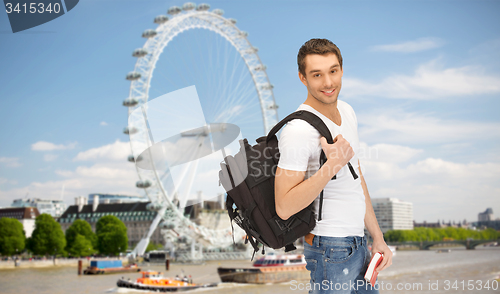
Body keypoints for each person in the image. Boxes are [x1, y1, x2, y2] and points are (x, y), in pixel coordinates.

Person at [275, 38, 393, 293]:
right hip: (328, 247)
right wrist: (332, 165)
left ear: (341, 70)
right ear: (302, 78)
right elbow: (284, 207)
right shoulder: (298, 131)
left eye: (333, 71)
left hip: (359, 244)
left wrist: (377, 236)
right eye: (317, 74)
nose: (328, 83)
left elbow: (356, 179)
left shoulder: (348, 112)